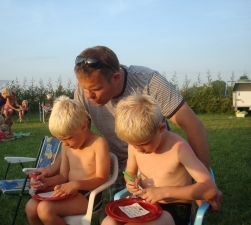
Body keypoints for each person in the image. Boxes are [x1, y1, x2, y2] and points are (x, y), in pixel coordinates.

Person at [34, 46, 222, 211]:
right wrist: (55, 167)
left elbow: (192, 124)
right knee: (116, 213)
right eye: (84, 88)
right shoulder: (85, 89)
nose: (88, 95)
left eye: (96, 89)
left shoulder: (149, 82)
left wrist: (201, 183)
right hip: (121, 164)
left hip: (158, 157)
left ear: (115, 77)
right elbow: (76, 133)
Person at [101, 93, 217, 225]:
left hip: (175, 207)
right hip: (145, 203)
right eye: (133, 144)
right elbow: (130, 173)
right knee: (108, 222)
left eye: (143, 144)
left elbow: (209, 189)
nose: (138, 149)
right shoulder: (135, 146)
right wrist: (131, 182)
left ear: (161, 128)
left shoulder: (178, 148)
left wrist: (165, 192)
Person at [25, 95, 110, 225]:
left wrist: (76, 184)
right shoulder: (66, 146)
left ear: (83, 127)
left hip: (88, 196)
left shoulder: (99, 144)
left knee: (45, 209)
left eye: (68, 138)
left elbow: (102, 178)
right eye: (61, 139)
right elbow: (63, 176)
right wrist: (46, 182)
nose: (65, 143)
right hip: (67, 190)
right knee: (31, 207)